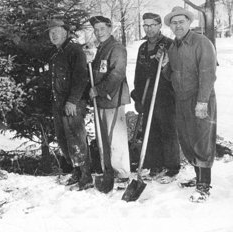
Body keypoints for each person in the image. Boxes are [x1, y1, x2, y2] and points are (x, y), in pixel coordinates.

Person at [11, 19, 91, 190]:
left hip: (72, 103)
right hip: (58, 102)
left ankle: (86, 175)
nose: (53, 35)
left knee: (75, 137)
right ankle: (76, 172)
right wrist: (20, 43)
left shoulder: (74, 50)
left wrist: (72, 101)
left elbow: (81, 78)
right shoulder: (55, 52)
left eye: (57, 31)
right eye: (50, 32)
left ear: (65, 32)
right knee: (63, 139)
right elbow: (38, 52)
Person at [163, 6, 217, 202]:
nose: (177, 26)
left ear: (189, 23)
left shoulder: (202, 43)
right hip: (181, 100)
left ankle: (204, 185)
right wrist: (165, 66)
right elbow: (170, 76)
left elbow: (208, 74)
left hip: (200, 98)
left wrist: (202, 102)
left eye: (181, 22)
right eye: (174, 23)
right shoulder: (173, 47)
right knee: (187, 139)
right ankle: (198, 177)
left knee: (202, 140)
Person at [130, 12, 180, 183]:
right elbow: (138, 74)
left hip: (166, 95)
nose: (149, 28)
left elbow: (176, 72)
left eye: (152, 25)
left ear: (160, 26)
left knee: (168, 131)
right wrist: (137, 97)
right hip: (147, 95)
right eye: (146, 25)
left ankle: (172, 168)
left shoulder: (169, 45)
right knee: (150, 131)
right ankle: (155, 165)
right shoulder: (142, 48)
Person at [88, 16, 131, 188]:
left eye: (102, 29)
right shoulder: (100, 49)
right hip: (100, 100)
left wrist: (98, 90)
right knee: (103, 138)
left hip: (112, 99)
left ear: (110, 28)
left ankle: (122, 174)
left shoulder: (117, 48)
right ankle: (108, 171)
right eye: (96, 30)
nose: (99, 33)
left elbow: (117, 74)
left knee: (116, 138)